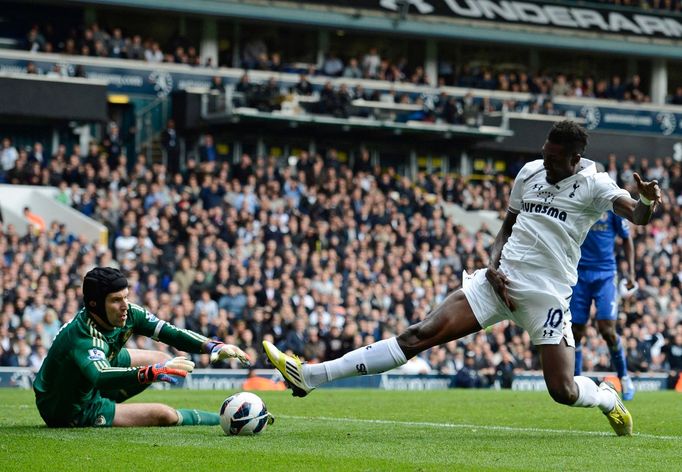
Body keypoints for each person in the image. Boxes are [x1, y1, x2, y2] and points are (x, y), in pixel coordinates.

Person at [264, 120, 663, 436]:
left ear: (576, 158)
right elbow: (506, 227)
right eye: (544, 154)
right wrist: (491, 267)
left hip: (546, 296)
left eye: (555, 159)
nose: (546, 164)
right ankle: (311, 375)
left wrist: (646, 198)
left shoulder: (595, 184)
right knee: (418, 334)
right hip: (497, 282)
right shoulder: (530, 173)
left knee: (564, 391)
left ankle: (607, 396)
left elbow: (638, 215)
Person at [33, 267, 250, 428]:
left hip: (87, 379)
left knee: (159, 357)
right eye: (116, 300)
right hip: (67, 408)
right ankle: (227, 420)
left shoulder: (128, 313)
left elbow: (169, 331)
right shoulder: (84, 338)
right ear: (94, 305)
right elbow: (100, 375)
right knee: (164, 414)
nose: (125, 306)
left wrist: (212, 346)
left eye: (126, 297)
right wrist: (151, 373)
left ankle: (112, 401)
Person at [570, 208, 636, 400]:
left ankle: (624, 377)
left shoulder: (612, 204)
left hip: (606, 274)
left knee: (607, 329)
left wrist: (631, 273)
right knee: (576, 331)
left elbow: (626, 237)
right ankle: (576, 380)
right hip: (579, 274)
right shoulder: (578, 201)